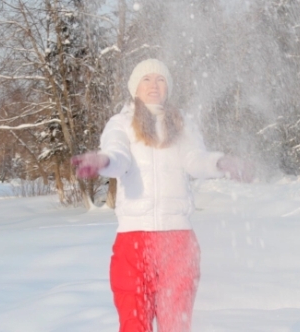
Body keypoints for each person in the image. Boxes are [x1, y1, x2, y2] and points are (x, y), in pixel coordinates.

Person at [71, 59, 251, 332]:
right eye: (146, 79)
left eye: (160, 79)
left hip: (177, 243)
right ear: (135, 87)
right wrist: (103, 160)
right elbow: (119, 156)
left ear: (168, 87)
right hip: (133, 243)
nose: (154, 85)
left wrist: (219, 163)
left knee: (176, 326)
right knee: (133, 325)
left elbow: (195, 160)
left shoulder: (182, 124)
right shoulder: (121, 123)